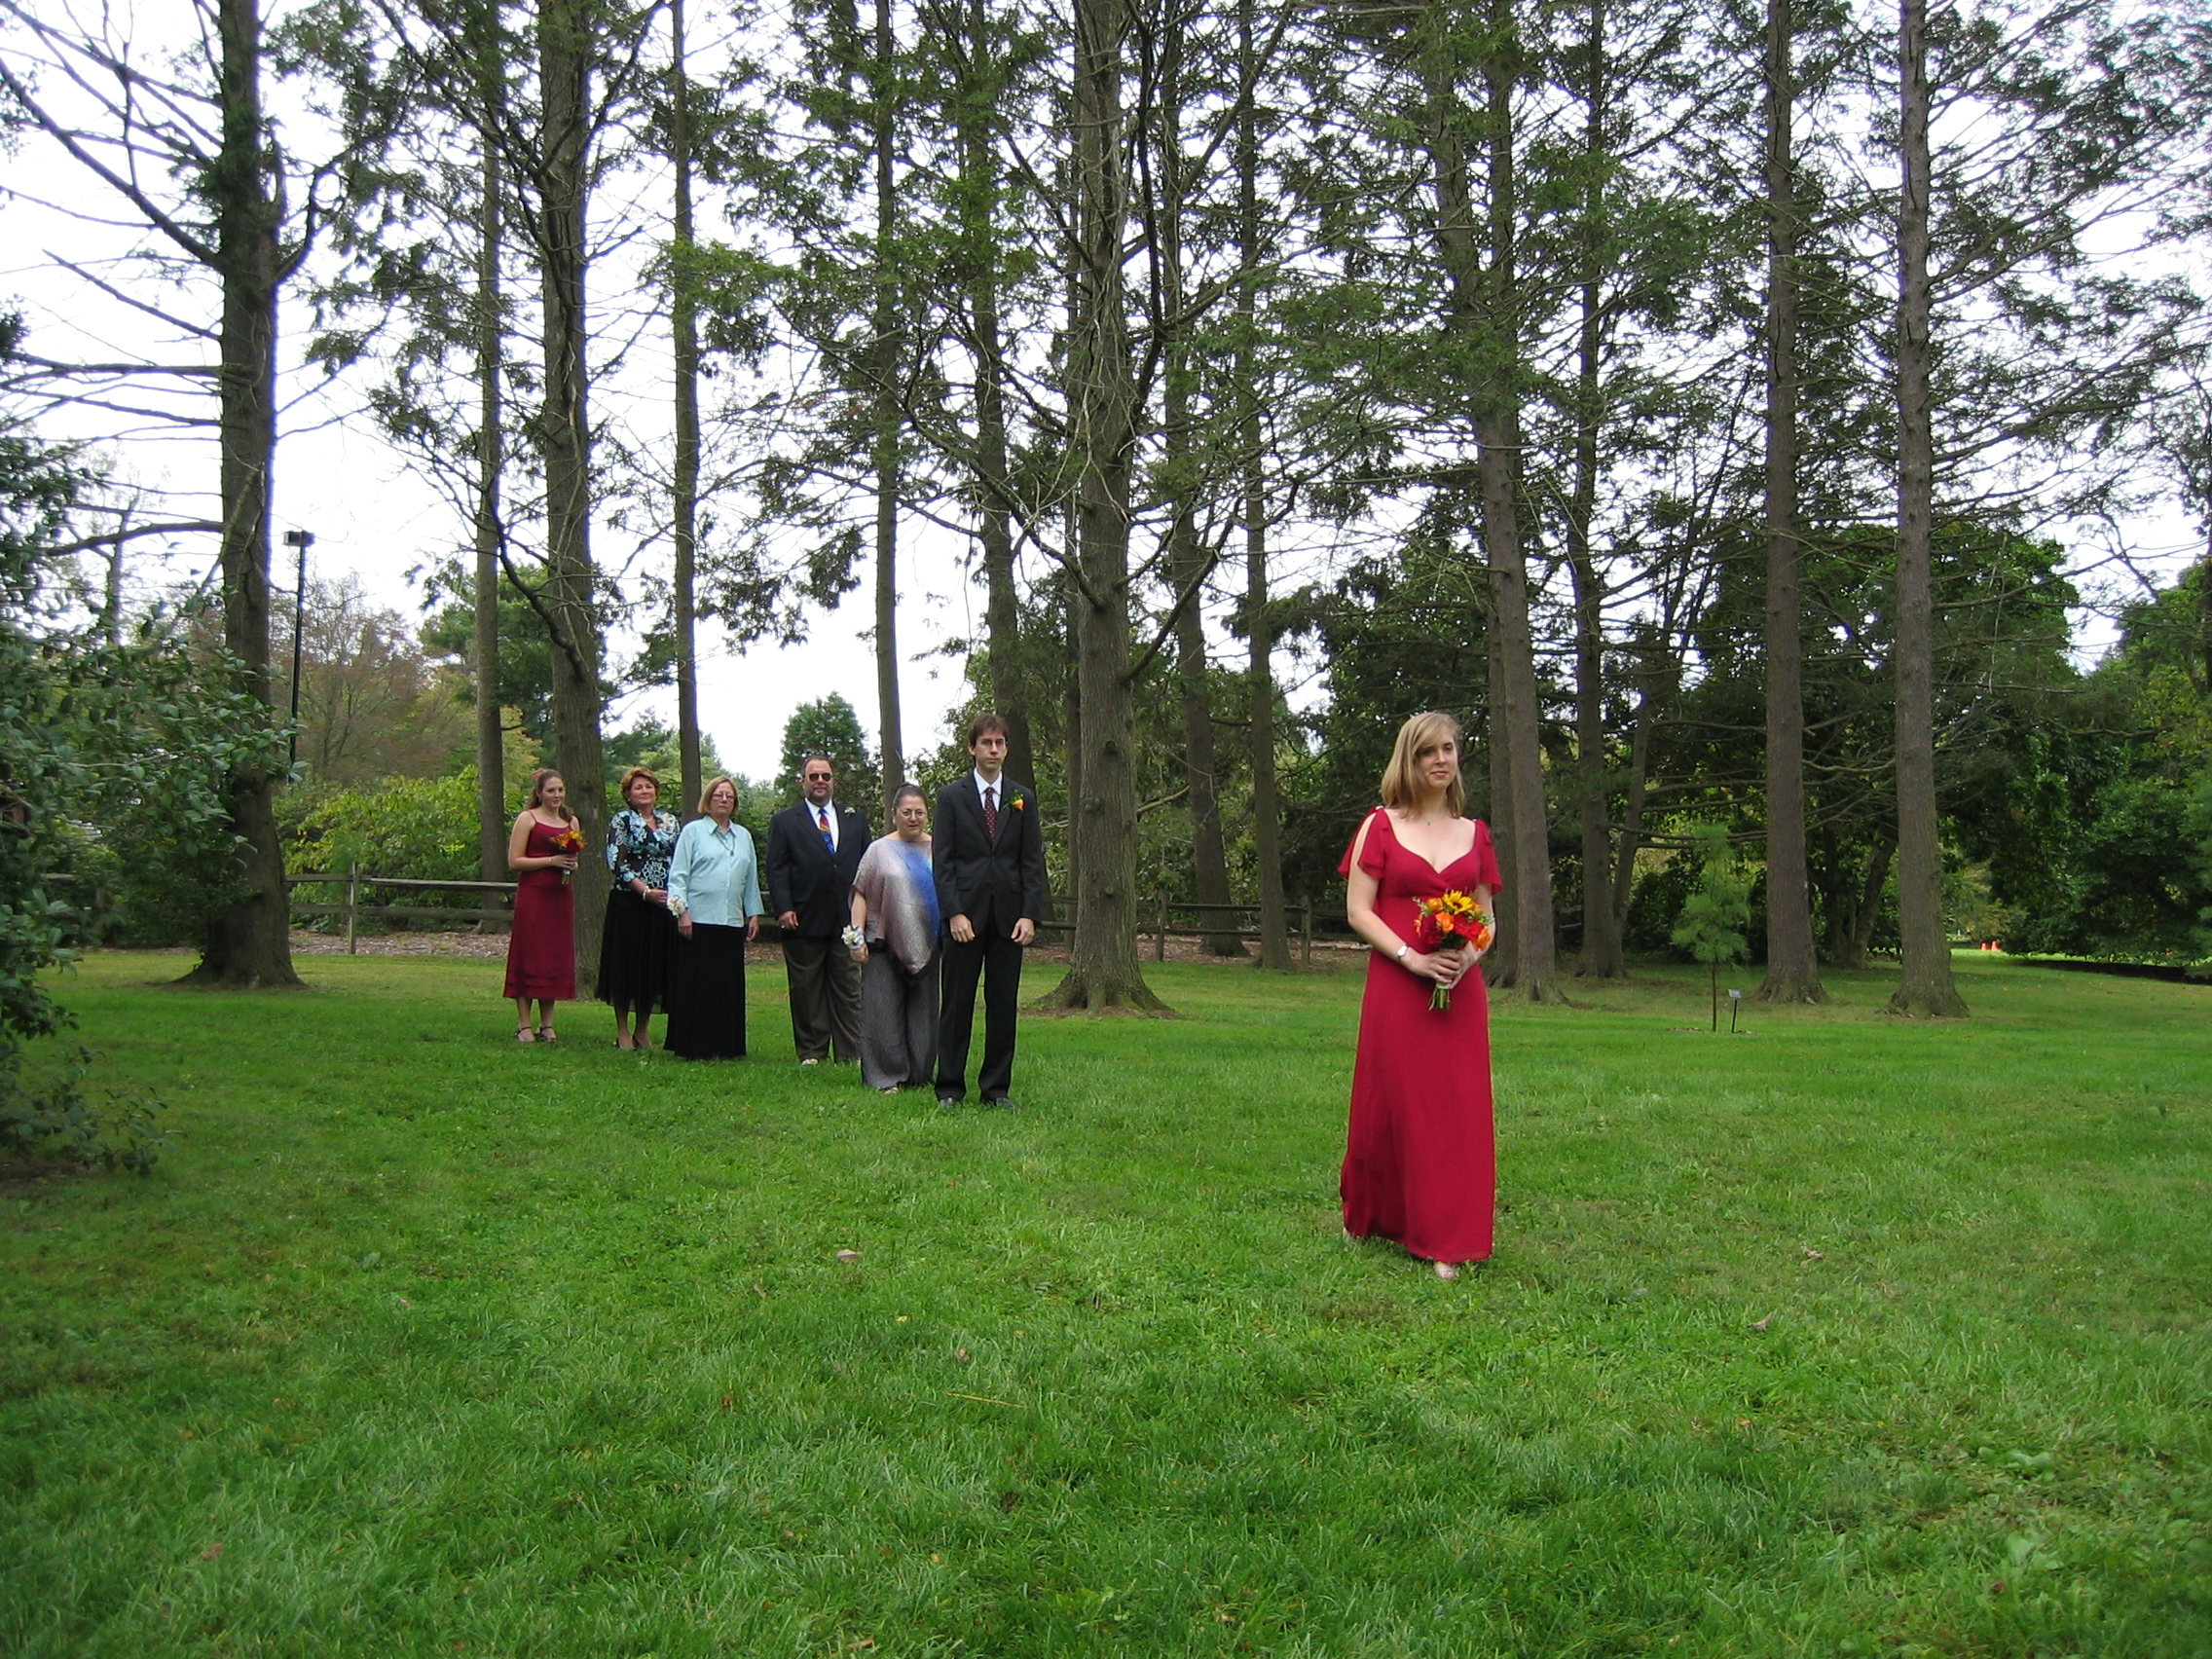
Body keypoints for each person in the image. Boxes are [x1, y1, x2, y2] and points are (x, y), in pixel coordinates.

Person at [1338, 711, 1502, 1279]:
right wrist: (1412, 958)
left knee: (1456, 1109)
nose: (1440, 759)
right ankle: (1374, 1213)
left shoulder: (1474, 832)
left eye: (1449, 749)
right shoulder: (1380, 825)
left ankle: (1448, 1236)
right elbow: (1359, 910)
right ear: (1408, 760)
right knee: (1390, 1102)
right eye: (1428, 751)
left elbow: (1486, 917)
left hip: (1457, 989)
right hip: (1397, 983)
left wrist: (1465, 958)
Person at [932, 713, 1045, 1106]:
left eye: (999, 743)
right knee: (956, 1005)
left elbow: (1031, 860)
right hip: (965, 918)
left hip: (1009, 919)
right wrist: (954, 912)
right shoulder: (951, 797)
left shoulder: (1021, 798)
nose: (993, 750)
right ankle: (949, 1088)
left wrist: (1029, 914)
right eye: (986, 743)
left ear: (1007, 749)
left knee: (1003, 1006)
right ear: (972, 748)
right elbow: (943, 862)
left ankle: (996, 1089)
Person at [765, 755, 870, 1066]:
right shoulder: (785, 821)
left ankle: (851, 1052)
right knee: (807, 988)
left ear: (833, 780)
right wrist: (784, 907)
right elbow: (777, 868)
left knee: (848, 987)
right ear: (803, 782)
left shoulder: (854, 819)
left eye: (825, 776)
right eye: (814, 777)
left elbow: (868, 865)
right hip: (803, 915)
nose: (820, 781)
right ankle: (812, 1052)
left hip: (846, 918)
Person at [846, 784, 940, 1092]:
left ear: (927, 815)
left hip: (929, 943)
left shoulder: (939, 849)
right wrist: (856, 938)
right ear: (894, 814)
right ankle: (886, 1076)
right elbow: (860, 894)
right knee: (883, 1011)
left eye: (919, 812)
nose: (913, 818)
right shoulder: (878, 850)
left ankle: (919, 1074)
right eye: (906, 812)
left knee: (925, 1014)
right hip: (883, 943)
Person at [664, 777, 763, 1060]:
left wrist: (753, 913)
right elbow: (678, 876)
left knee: (726, 987)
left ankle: (726, 1046)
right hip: (698, 920)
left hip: (730, 921)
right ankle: (694, 1046)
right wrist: (682, 912)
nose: (724, 800)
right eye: (718, 795)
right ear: (708, 799)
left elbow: (750, 879)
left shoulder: (743, 836)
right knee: (698, 986)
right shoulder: (693, 832)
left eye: (729, 796)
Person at [597, 766, 680, 1051]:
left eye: (648, 786)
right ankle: (622, 1031)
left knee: (652, 965)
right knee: (626, 964)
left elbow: (678, 858)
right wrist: (644, 891)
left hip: (661, 904)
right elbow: (616, 861)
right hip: (629, 902)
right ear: (628, 794)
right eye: (638, 788)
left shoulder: (670, 821)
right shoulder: (622, 820)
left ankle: (642, 1031)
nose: (644, 791)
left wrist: (671, 893)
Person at [504, 767, 580, 1043]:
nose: (556, 795)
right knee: (530, 954)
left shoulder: (571, 822)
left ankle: (547, 1024)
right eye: (551, 791)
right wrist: (550, 861)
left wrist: (570, 864)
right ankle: (524, 1024)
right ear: (539, 793)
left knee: (552, 957)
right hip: (534, 895)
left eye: (560, 790)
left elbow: (574, 859)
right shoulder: (528, 819)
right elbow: (515, 861)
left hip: (560, 895)